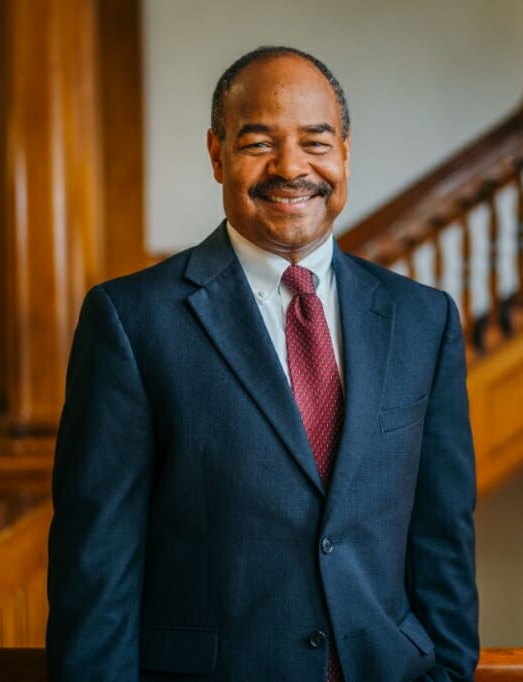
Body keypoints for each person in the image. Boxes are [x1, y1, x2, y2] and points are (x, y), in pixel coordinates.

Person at [47, 45, 479, 681]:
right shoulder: (132, 321)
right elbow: (98, 562)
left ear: (346, 153)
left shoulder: (423, 320)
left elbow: (443, 538)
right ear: (217, 155)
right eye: (257, 143)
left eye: (315, 141)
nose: (291, 167)